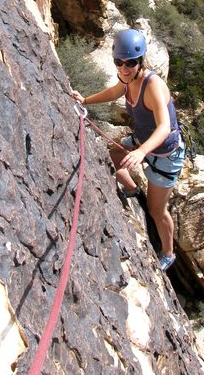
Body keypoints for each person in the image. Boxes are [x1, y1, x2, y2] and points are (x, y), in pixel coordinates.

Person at [72, 28, 185, 272]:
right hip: (142, 141)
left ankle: (168, 253)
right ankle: (133, 190)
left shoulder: (152, 84)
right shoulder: (127, 80)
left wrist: (141, 152)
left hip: (165, 154)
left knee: (157, 211)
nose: (124, 68)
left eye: (130, 63)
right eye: (119, 62)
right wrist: (85, 101)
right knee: (110, 157)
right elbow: (115, 91)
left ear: (140, 61)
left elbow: (164, 126)